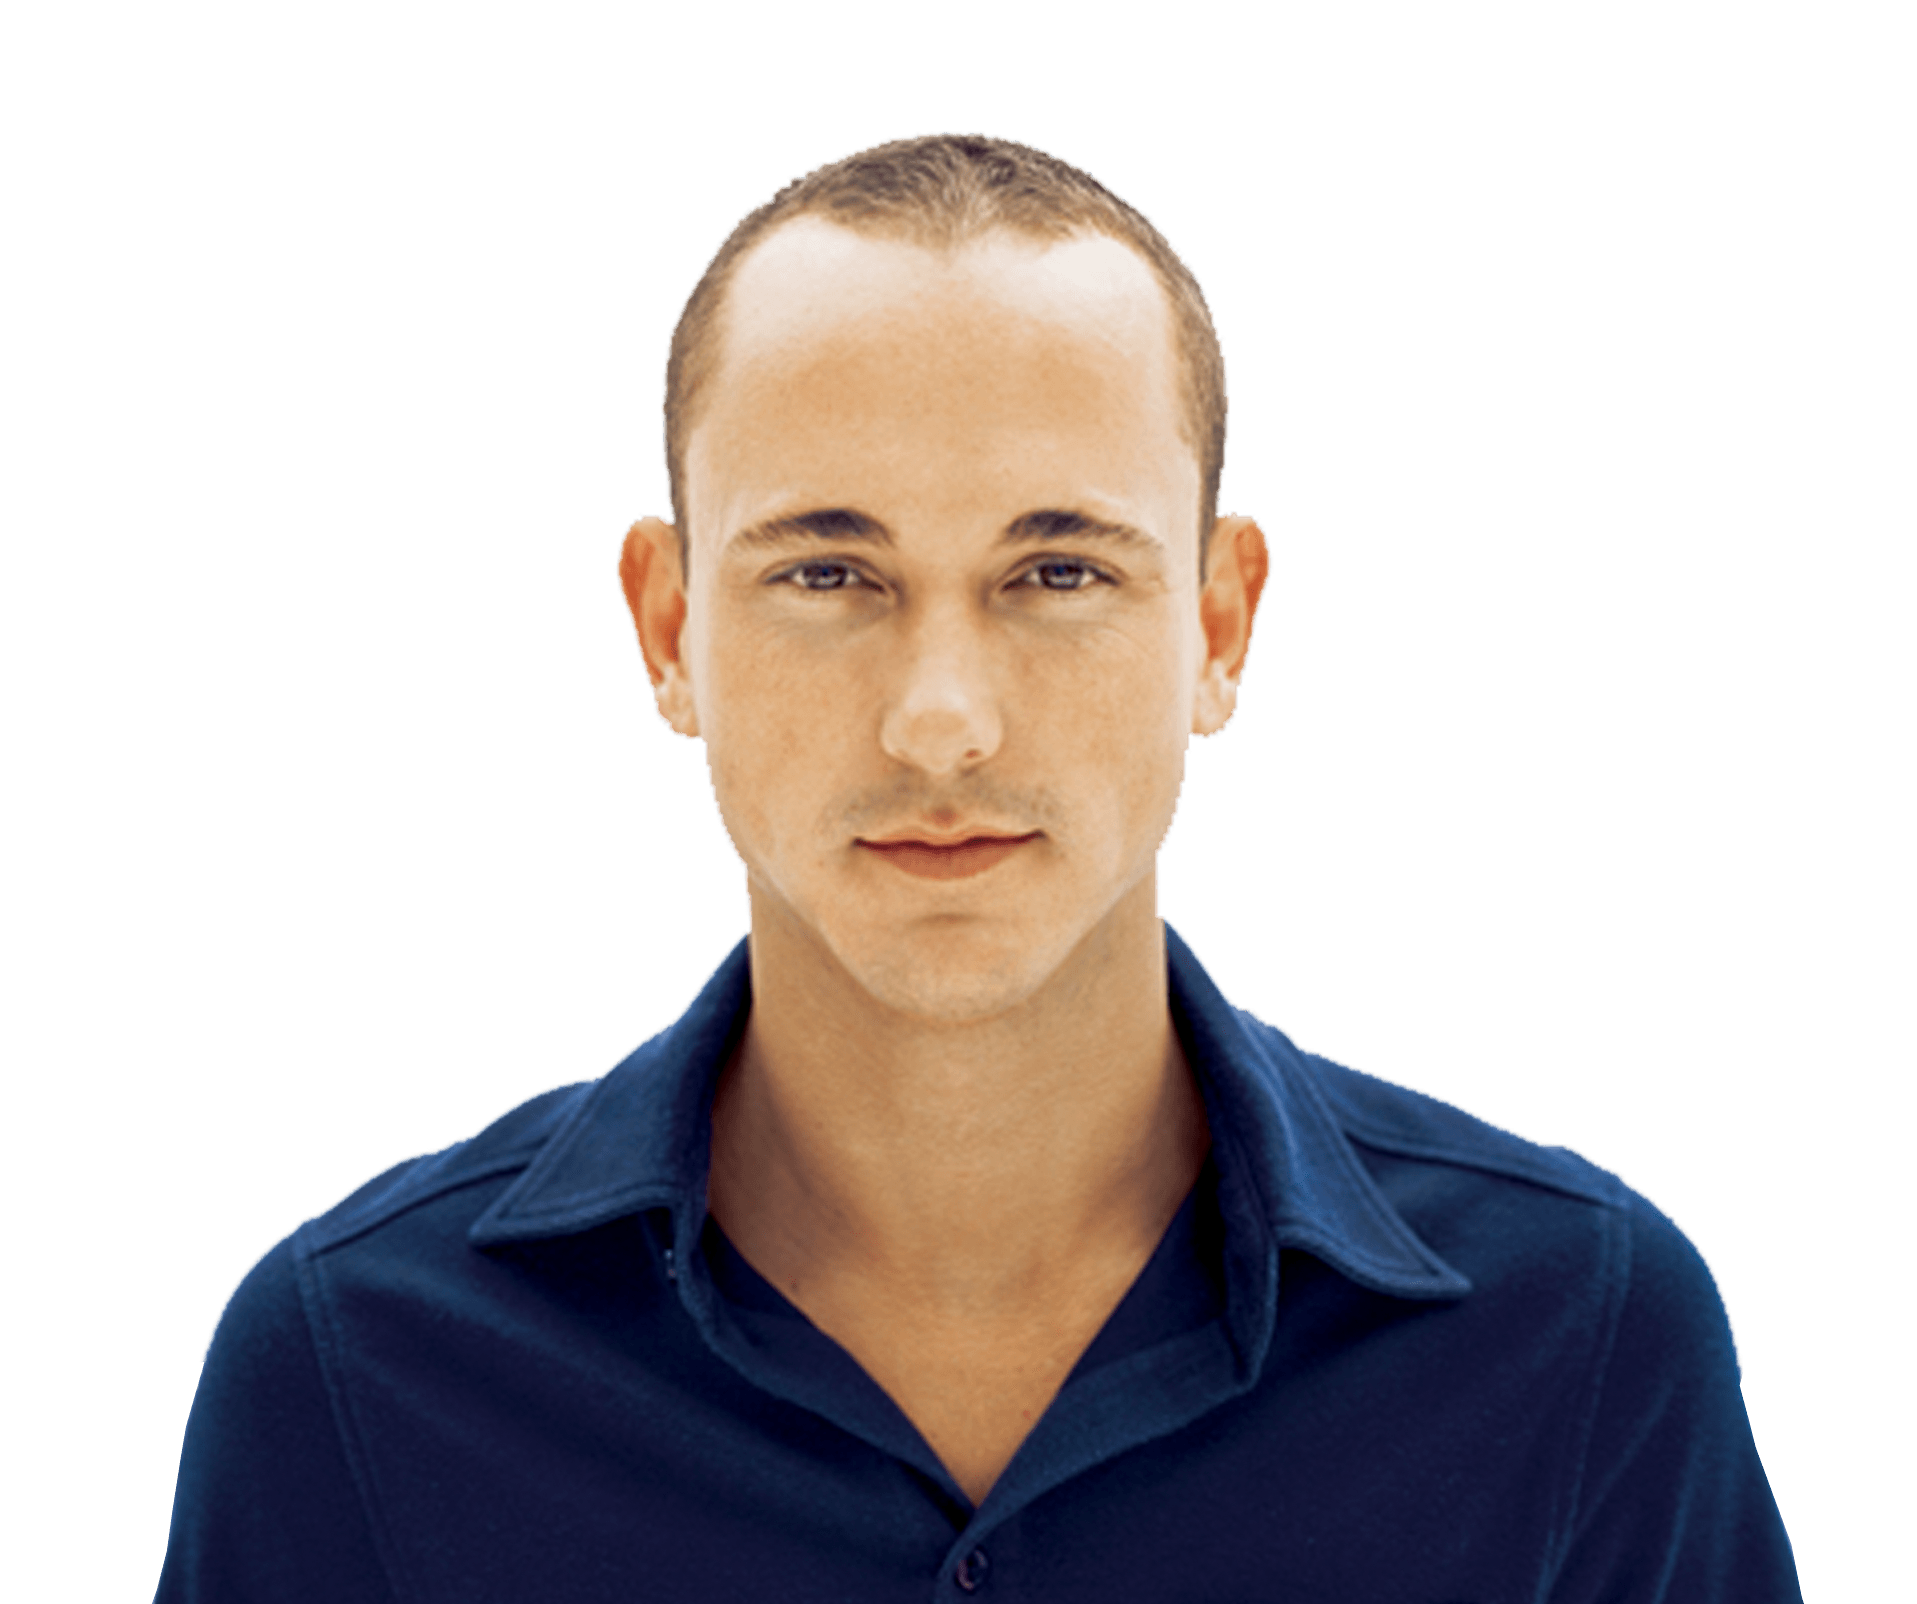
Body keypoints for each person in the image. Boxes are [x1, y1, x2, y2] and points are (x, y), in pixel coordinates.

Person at [155, 132, 1800, 1602]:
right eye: (828, 572)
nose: (941, 721)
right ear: (668, 630)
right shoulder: (351, 1372)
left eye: (1058, 570)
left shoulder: (1584, 1340)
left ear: (1220, 626)